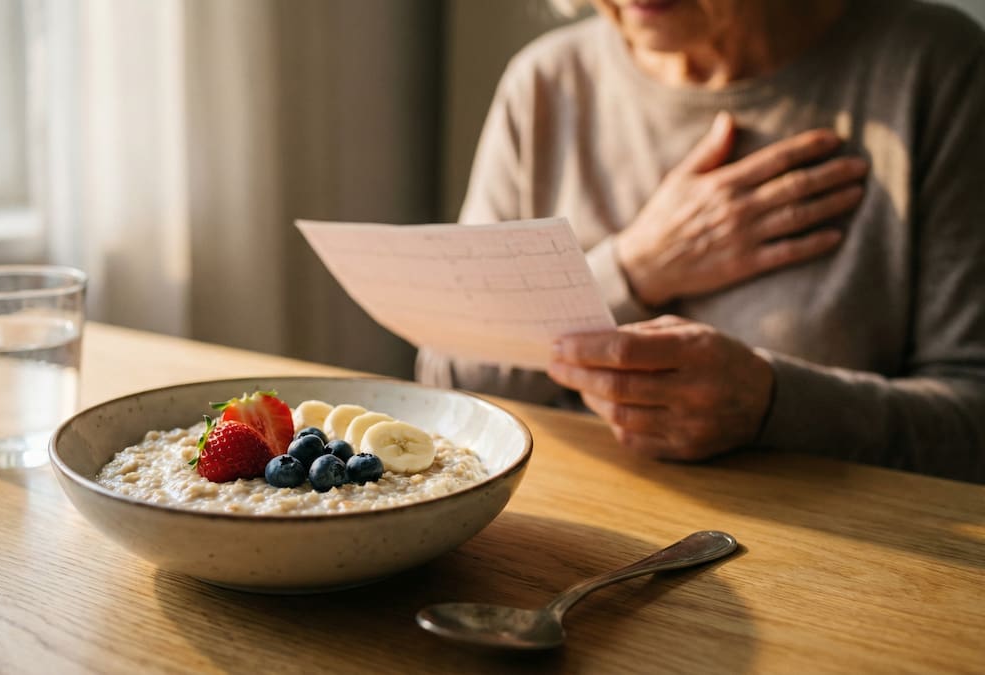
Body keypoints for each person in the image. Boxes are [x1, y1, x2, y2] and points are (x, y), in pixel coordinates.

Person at [417, 0, 985, 483]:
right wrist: (635, 267)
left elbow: (972, 423)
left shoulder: (935, 69)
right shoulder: (544, 83)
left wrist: (771, 405)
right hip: (573, 535)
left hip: (844, 566)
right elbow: (448, 377)